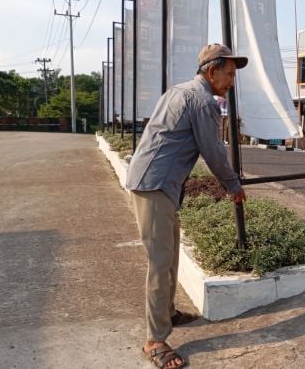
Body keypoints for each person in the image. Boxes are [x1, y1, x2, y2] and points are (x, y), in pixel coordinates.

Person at [126, 43, 248, 369]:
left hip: (157, 184)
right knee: (160, 262)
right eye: (230, 74)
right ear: (212, 71)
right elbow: (213, 152)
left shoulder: (178, 91)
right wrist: (234, 187)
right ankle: (154, 339)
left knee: (171, 256)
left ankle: (167, 314)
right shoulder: (202, 101)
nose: (232, 81)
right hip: (154, 186)